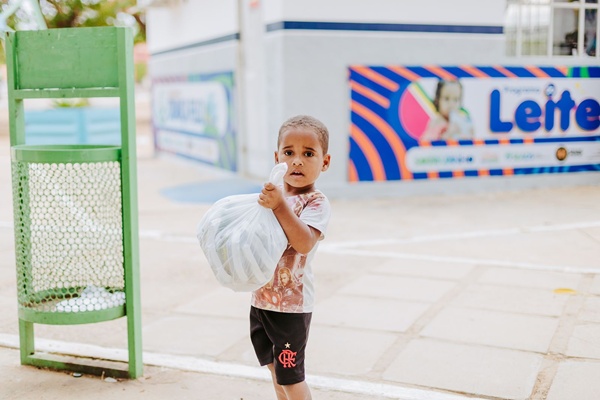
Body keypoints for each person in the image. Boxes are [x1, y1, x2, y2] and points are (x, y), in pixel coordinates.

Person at [251, 114, 331, 400]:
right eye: (289, 152)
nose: (297, 160)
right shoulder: (275, 196)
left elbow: (304, 242)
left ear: (324, 162)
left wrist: (279, 206)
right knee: (275, 371)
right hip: (262, 299)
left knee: (292, 378)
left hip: (291, 307)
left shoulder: (315, 202)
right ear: (278, 158)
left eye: (308, 153)